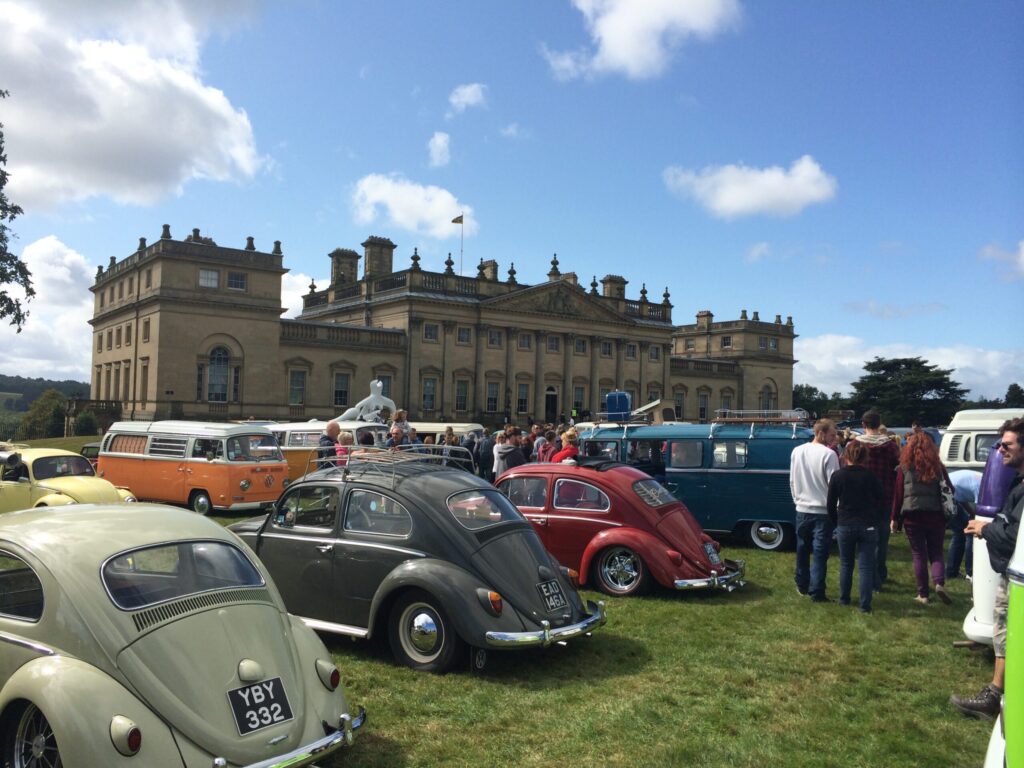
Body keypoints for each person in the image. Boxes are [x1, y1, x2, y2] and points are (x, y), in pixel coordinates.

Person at [950, 418, 1024, 719]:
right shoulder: (1017, 482)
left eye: (1006, 445)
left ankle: (994, 697)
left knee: (1006, 632)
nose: (999, 450)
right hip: (1012, 572)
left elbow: (1013, 537)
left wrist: (984, 528)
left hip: (1017, 575)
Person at [890, 432, 953, 605]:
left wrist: (894, 518)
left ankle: (923, 594)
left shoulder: (904, 468)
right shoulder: (938, 467)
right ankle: (939, 583)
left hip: (913, 515)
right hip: (936, 515)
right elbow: (950, 489)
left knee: (919, 554)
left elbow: (898, 494)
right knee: (937, 552)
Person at [827, 440, 883, 613]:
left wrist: (836, 520)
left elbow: (830, 504)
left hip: (845, 523)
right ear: (864, 457)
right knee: (866, 567)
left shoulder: (838, 476)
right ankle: (865, 605)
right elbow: (880, 499)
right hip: (867, 524)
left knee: (846, 564)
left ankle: (844, 598)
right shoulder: (870, 476)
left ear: (846, 456)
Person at [790, 419, 840, 602]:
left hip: (802, 507)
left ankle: (802, 584)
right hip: (823, 510)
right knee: (820, 552)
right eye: (832, 434)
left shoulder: (797, 451)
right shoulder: (829, 454)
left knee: (802, 548)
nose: (834, 438)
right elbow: (834, 484)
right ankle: (817, 590)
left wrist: (797, 500)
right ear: (821, 433)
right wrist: (837, 507)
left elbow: (792, 480)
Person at [852, 410, 901, 591]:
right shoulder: (890, 446)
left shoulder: (855, 445)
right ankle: (879, 573)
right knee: (881, 540)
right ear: (879, 424)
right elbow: (899, 468)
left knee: (865, 541)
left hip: (861, 499)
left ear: (863, 425)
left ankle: (870, 576)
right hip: (885, 497)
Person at [946, 469, 982, 580]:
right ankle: (970, 572)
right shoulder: (982, 487)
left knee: (961, 532)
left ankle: (952, 572)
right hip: (946, 495)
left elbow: (960, 496)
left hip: (947, 492)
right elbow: (980, 511)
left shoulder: (981, 480)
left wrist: (971, 513)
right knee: (969, 532)